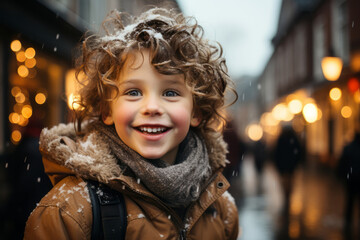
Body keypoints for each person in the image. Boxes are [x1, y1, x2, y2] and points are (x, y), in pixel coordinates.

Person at [24, 7, 239, 240]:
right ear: (107, 110)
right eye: (134, 92)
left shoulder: (221, 209)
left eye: (170, 92)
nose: (152, 107)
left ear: (195, 111)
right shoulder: (69, 211)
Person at [337, 132, 360, 239]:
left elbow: (343, 163)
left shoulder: (349, 147)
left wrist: (343, 176)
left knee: (350, 201)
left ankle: (348, 222)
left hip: (351, 179)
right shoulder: (350, 148)